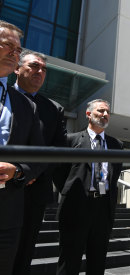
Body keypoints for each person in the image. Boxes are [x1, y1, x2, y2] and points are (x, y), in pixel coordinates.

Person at [12, 50, 67, 275]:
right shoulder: (3, 96)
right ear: (17, 68)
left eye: (44, 69)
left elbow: (58, 150)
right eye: (34, 66)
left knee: (24, 251)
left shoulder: (53, 109)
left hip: (33, 191)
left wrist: (31, 173)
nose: (40, 71)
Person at [54, 99, 123, 275]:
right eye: (100, 111)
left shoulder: (116, 145)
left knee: (98, 261)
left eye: (107, 112)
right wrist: (71, 192)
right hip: (76, 207)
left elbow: (113, 176)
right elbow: (58, 172)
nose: (105, 115)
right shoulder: (71, 140)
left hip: (103, 209)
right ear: (88, 114)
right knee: (69, 261)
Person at [0, 20, 45, 275]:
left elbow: (39, 157)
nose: (14, 53)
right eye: (8, 46)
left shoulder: (26, 106)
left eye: (18, 50)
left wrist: (18, 171)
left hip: (6, 218)